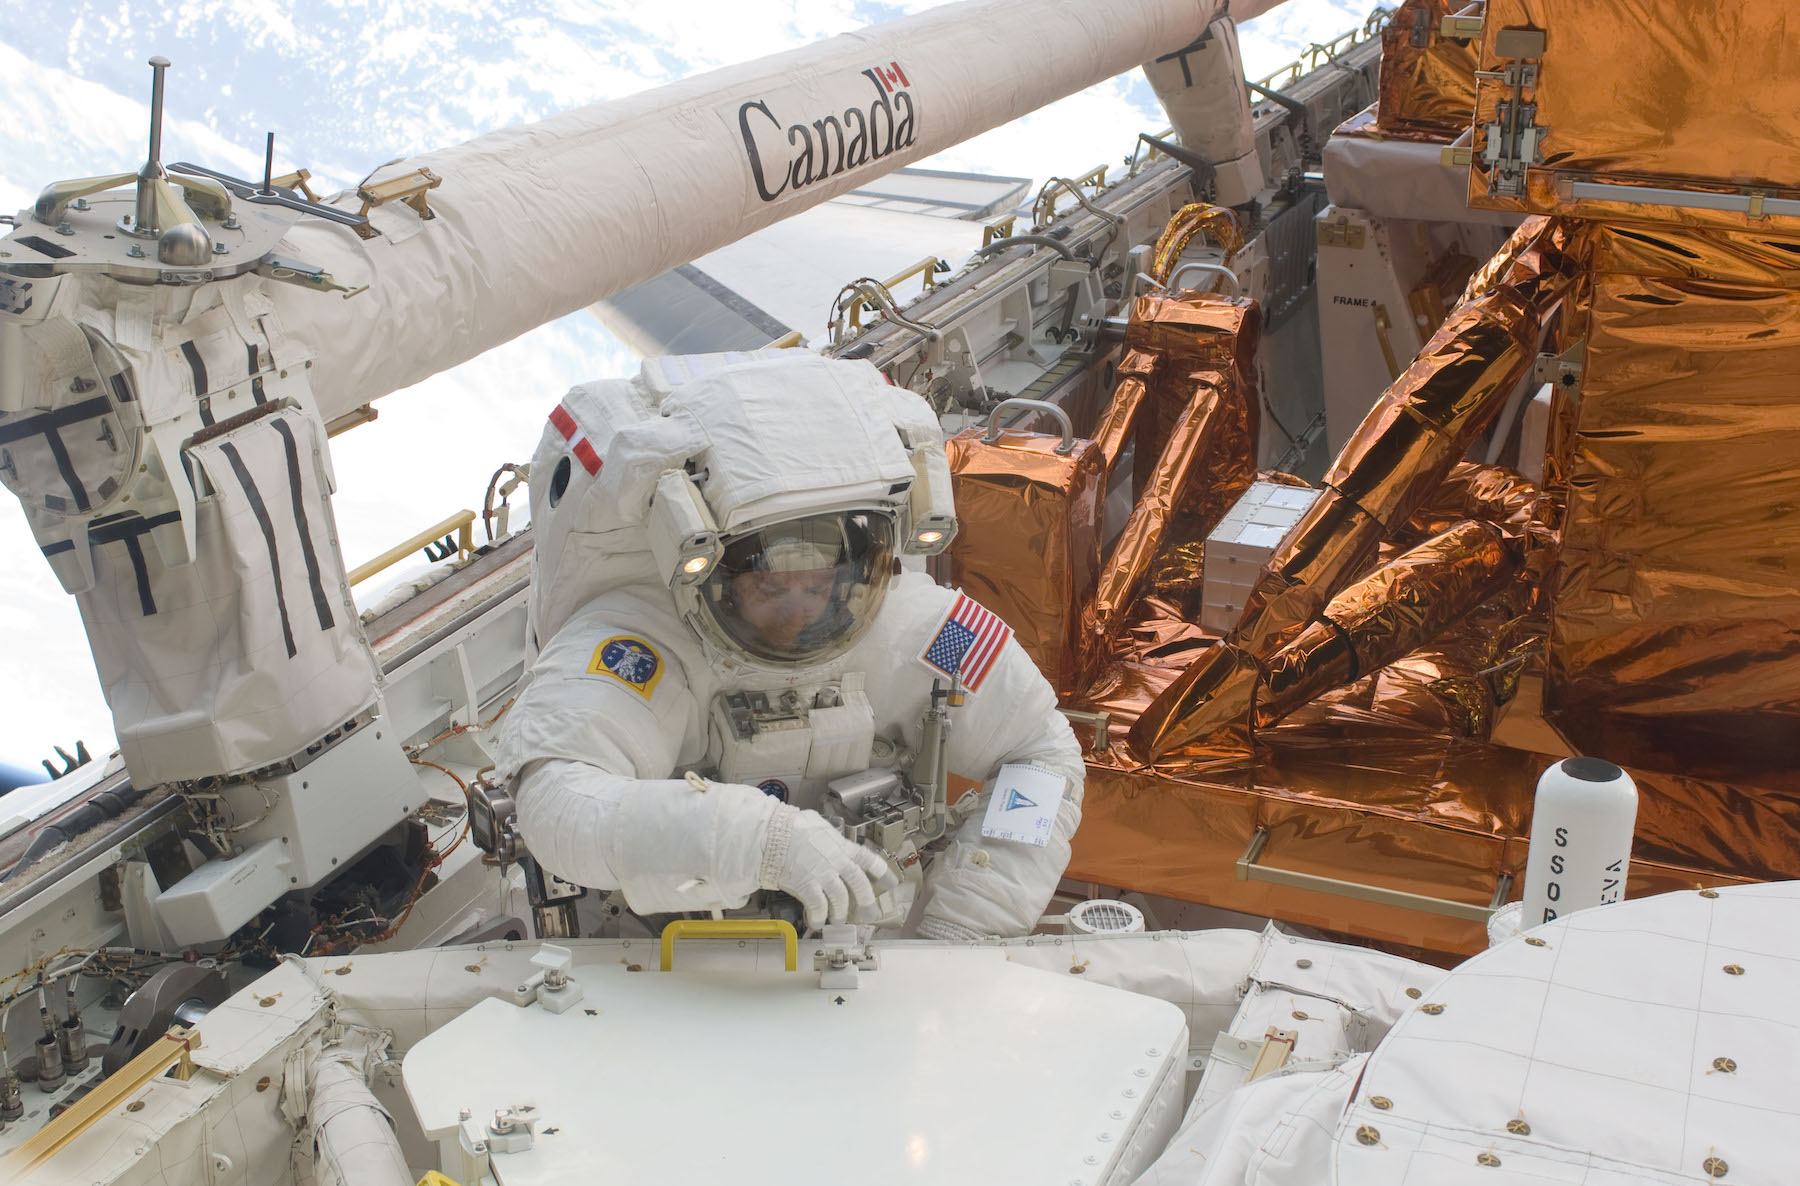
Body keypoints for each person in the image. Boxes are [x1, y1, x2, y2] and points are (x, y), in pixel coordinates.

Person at [494, 352, 1082, 938]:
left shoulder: (920, 628)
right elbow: (557, 802)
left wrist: (965, 924)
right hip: (667, 948)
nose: (798, 610)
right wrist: (758, 842)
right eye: (770, 588)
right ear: (713, 575)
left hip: (867, 935)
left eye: (818, 586)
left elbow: (1040, 750)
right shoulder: (640, 643)